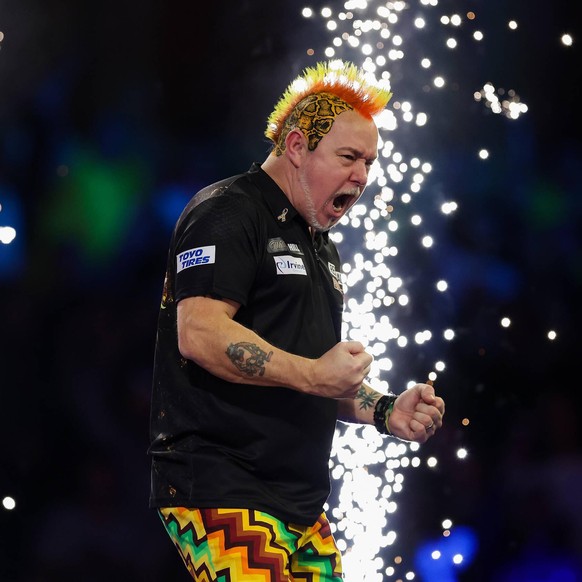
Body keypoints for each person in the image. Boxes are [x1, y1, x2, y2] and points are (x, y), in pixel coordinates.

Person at [148, 60, 445, 581]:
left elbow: (312, 373)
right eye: (349, 156)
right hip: (224, 487)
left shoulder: (321, 246)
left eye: (370, 162)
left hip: (299, 502)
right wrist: (314, 375)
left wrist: (384, 409)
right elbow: (199, 333)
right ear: (295, 146)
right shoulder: (228, 211)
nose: (362, 176)